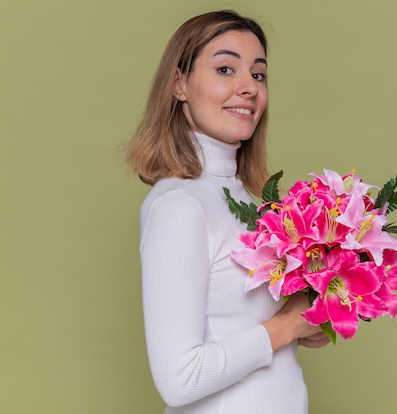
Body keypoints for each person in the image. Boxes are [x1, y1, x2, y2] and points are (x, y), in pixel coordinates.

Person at [126, 10, 329, 413]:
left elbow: (237, 324)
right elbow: (179, 379)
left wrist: (302, 322)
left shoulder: (247, 202)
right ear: (179, 84)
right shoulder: (178, 206)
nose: (248, 88)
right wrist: (284, 328)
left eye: (258, 75)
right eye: (225, 69)